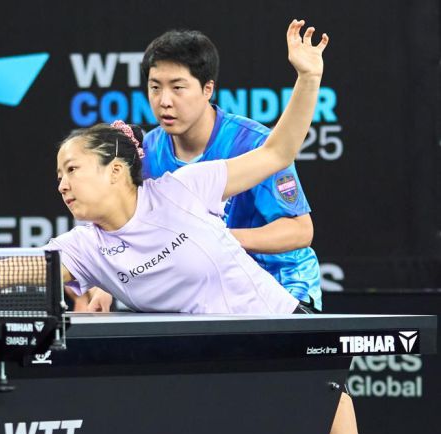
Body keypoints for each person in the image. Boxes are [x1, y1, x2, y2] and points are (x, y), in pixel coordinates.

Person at [0, 21, 427, 434]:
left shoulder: (186, 187)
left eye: (72, 169)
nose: (62, 184)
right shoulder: (84, 247)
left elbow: (279, 151)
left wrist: (308, 78)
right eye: (58, 174)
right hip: (222, 365)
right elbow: (7, 270)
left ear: (116, 171)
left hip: (281, 340)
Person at [86, 26, 321, 314]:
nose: (164, 101)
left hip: (283, 291)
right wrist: (104, 287)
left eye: (178, 87)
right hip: (206, 296)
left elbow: (299, 231)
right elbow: (129, 228)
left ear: (207, 89)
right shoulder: (147, 153)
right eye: (155, 87)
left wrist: (218, 240)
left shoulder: (253, 144)